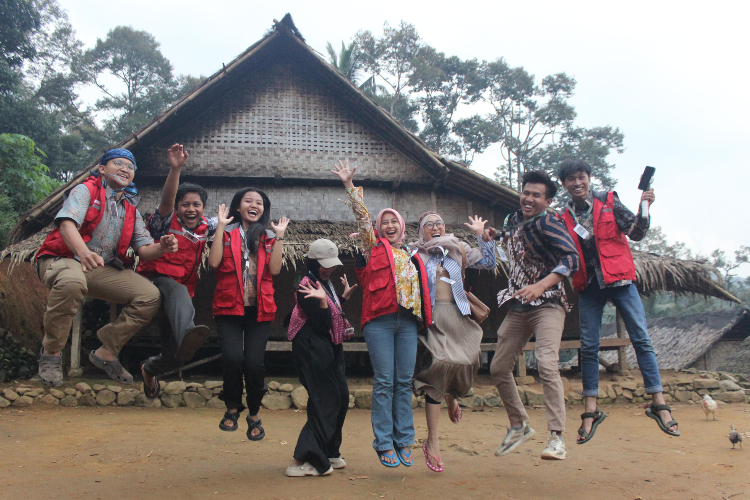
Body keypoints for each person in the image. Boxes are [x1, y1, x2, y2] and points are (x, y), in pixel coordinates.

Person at [557, 158, 679, 442]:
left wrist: (645, 208)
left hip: (620, 280)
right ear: (564, 185)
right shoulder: (564, 217)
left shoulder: (609, 201)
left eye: (581, 177)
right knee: (589, 347)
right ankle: (591, 409)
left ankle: (659, 404)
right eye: (571, 180)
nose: (577, 183)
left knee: (641, 338)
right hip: (589, 285)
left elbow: (635, 233)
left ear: (589, 178)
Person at [36, 148, 178, 386]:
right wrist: (83, 252)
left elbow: (145, 250)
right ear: (102, 169)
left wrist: (162, 246)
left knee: (150, 296)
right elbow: (66, 224)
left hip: (96, 268)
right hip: (62, 259)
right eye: (118, 163)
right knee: (72, 282)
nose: (125, 169)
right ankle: (51, 353)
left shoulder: (129, 208)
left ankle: (107, 351)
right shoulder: (86, 190)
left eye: (130, 167)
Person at [332, 160, 432, 468]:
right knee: (385, 381)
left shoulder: (414, 255)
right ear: (378, 228)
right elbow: (362, 218)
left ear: (402, 226)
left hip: (407, 324)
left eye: (394, 221)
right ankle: (384, 442)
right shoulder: (373, 246)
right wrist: (350, 186)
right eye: (384, 221)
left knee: (404, 381)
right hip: (379, 321)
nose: (390, 225)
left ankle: (404, 439)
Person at [491, 170, 580, 460]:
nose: (529, 198)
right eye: (526, 192)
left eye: (536, 195)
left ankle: (557, 438)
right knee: (498, 367)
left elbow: (571, 258)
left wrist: (541, 285)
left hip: (548, 303)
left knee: (546, 362)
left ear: (548, 200)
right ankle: (519, 425)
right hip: (518, 306)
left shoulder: (549, 223)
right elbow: (510, 238)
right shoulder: (517, 220)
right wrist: (491, 235)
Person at [410, 211, 497, 472]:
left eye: (439, 223)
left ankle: (451, 396)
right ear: (421, 231)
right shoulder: (415, 254)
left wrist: (483, 237)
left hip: (458, 314)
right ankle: (433, 440)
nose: (435, 228)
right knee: (439, 364)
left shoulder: (459, 248)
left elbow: (489, 263)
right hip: (433, 315)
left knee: (468, 359)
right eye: (429, 225)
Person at [207, 187, 289, 440]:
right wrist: (220, 226)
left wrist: (280, 236)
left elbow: (275, 271)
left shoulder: (267, 236)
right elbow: (214, 263)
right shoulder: (226, 232)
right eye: (249, 201)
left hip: (259, 309)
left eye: (260, 203)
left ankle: (253, 412)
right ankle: (232, 407)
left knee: (254, 364)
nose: (255, 205)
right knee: (233, 359)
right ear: (238, 206)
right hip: (228, 306)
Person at [136, 144, 215, 399]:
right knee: (176, 288)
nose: (190, 209)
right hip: (154, 281)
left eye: (196, 205)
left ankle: (149, 370)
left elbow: (234, 222)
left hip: (180, 295)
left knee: (175, 359)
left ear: (203, 208)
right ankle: (187, 334)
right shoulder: (164, 222)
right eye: (185, 205)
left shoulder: (205, 227)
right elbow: (166, 202)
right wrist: (175, 169)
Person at [285, 239, 358, 477]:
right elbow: (321, 323)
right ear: (313, 262)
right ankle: (304, 459)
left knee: (341, 396)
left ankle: (329, 449)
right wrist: (325, 303)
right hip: (311, 347)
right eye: (324, 264)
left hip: (329, 347)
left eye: (332, 264)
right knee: (324, 399)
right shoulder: (307, 286)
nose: (329, 269)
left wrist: (341, 298)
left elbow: (332, 313)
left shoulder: (322, 282)